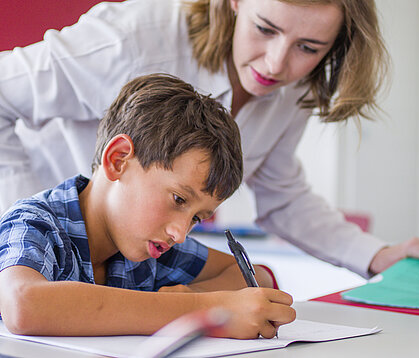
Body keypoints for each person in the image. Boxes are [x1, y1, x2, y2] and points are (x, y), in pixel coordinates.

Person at [0, 0, 419, 279]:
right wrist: (31, 222)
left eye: (309, 48)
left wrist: (378, 255)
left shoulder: (291, 88)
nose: (274, 64)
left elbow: (284, 197)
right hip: (36, 246)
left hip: (124, 262)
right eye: (265, 29)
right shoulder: (132, 39)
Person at [0, 73, 296, 338]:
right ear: (118, 160)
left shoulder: (151, 251)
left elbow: (255, 274)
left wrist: (193, 293)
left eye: (197, 218)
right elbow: (23, 305)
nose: (180, 233)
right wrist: (199, 309)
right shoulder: (33, 223)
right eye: (179, 199)